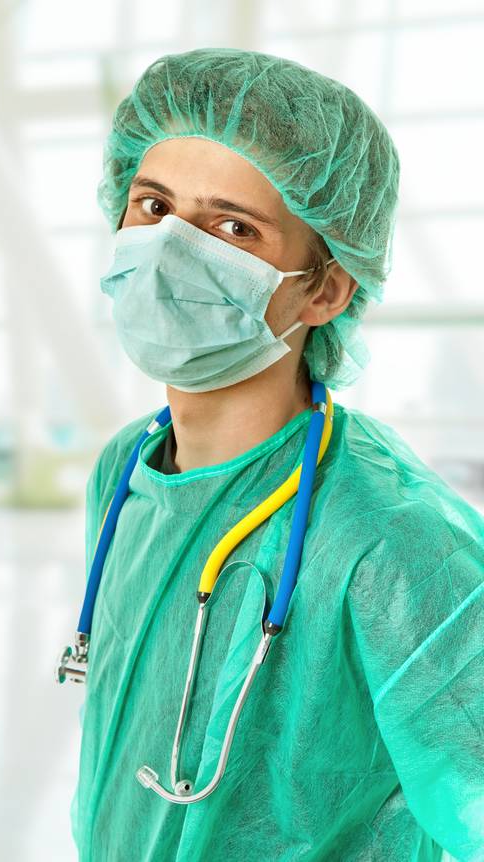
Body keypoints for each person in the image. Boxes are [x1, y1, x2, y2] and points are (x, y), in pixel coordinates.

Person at [72, 48, 484, 860]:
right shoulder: (129, 471)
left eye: (233, 228)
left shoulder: (389, 532)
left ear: (325, 290)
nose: (170, 249)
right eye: (151, 205)